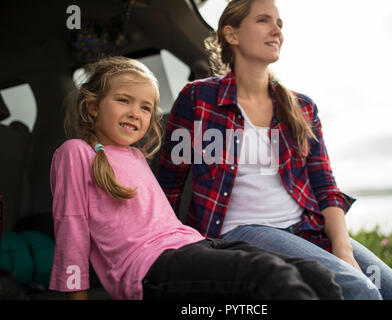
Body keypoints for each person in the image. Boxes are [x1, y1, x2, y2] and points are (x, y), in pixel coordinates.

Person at [157, 0, 392, 300]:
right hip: (241, 233)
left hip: (308, 229)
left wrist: (343, 249)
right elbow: (170, 186)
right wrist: (172, 257)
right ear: (232, 35)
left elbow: (326, 188)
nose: (277, 30)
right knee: (359, 291)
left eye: (280, 23)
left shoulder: (302, 106)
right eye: (264, 20)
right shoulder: (198, 98)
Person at [48, 56, 343, 300]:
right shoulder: (75, 153)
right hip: (149, 268)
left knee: (317, 275)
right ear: (92, 105)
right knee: (270, 275)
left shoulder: (136, 156)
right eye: (124, 100)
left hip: (194, 244)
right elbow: (70, 228)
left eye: (146, 107)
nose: (135, 113)